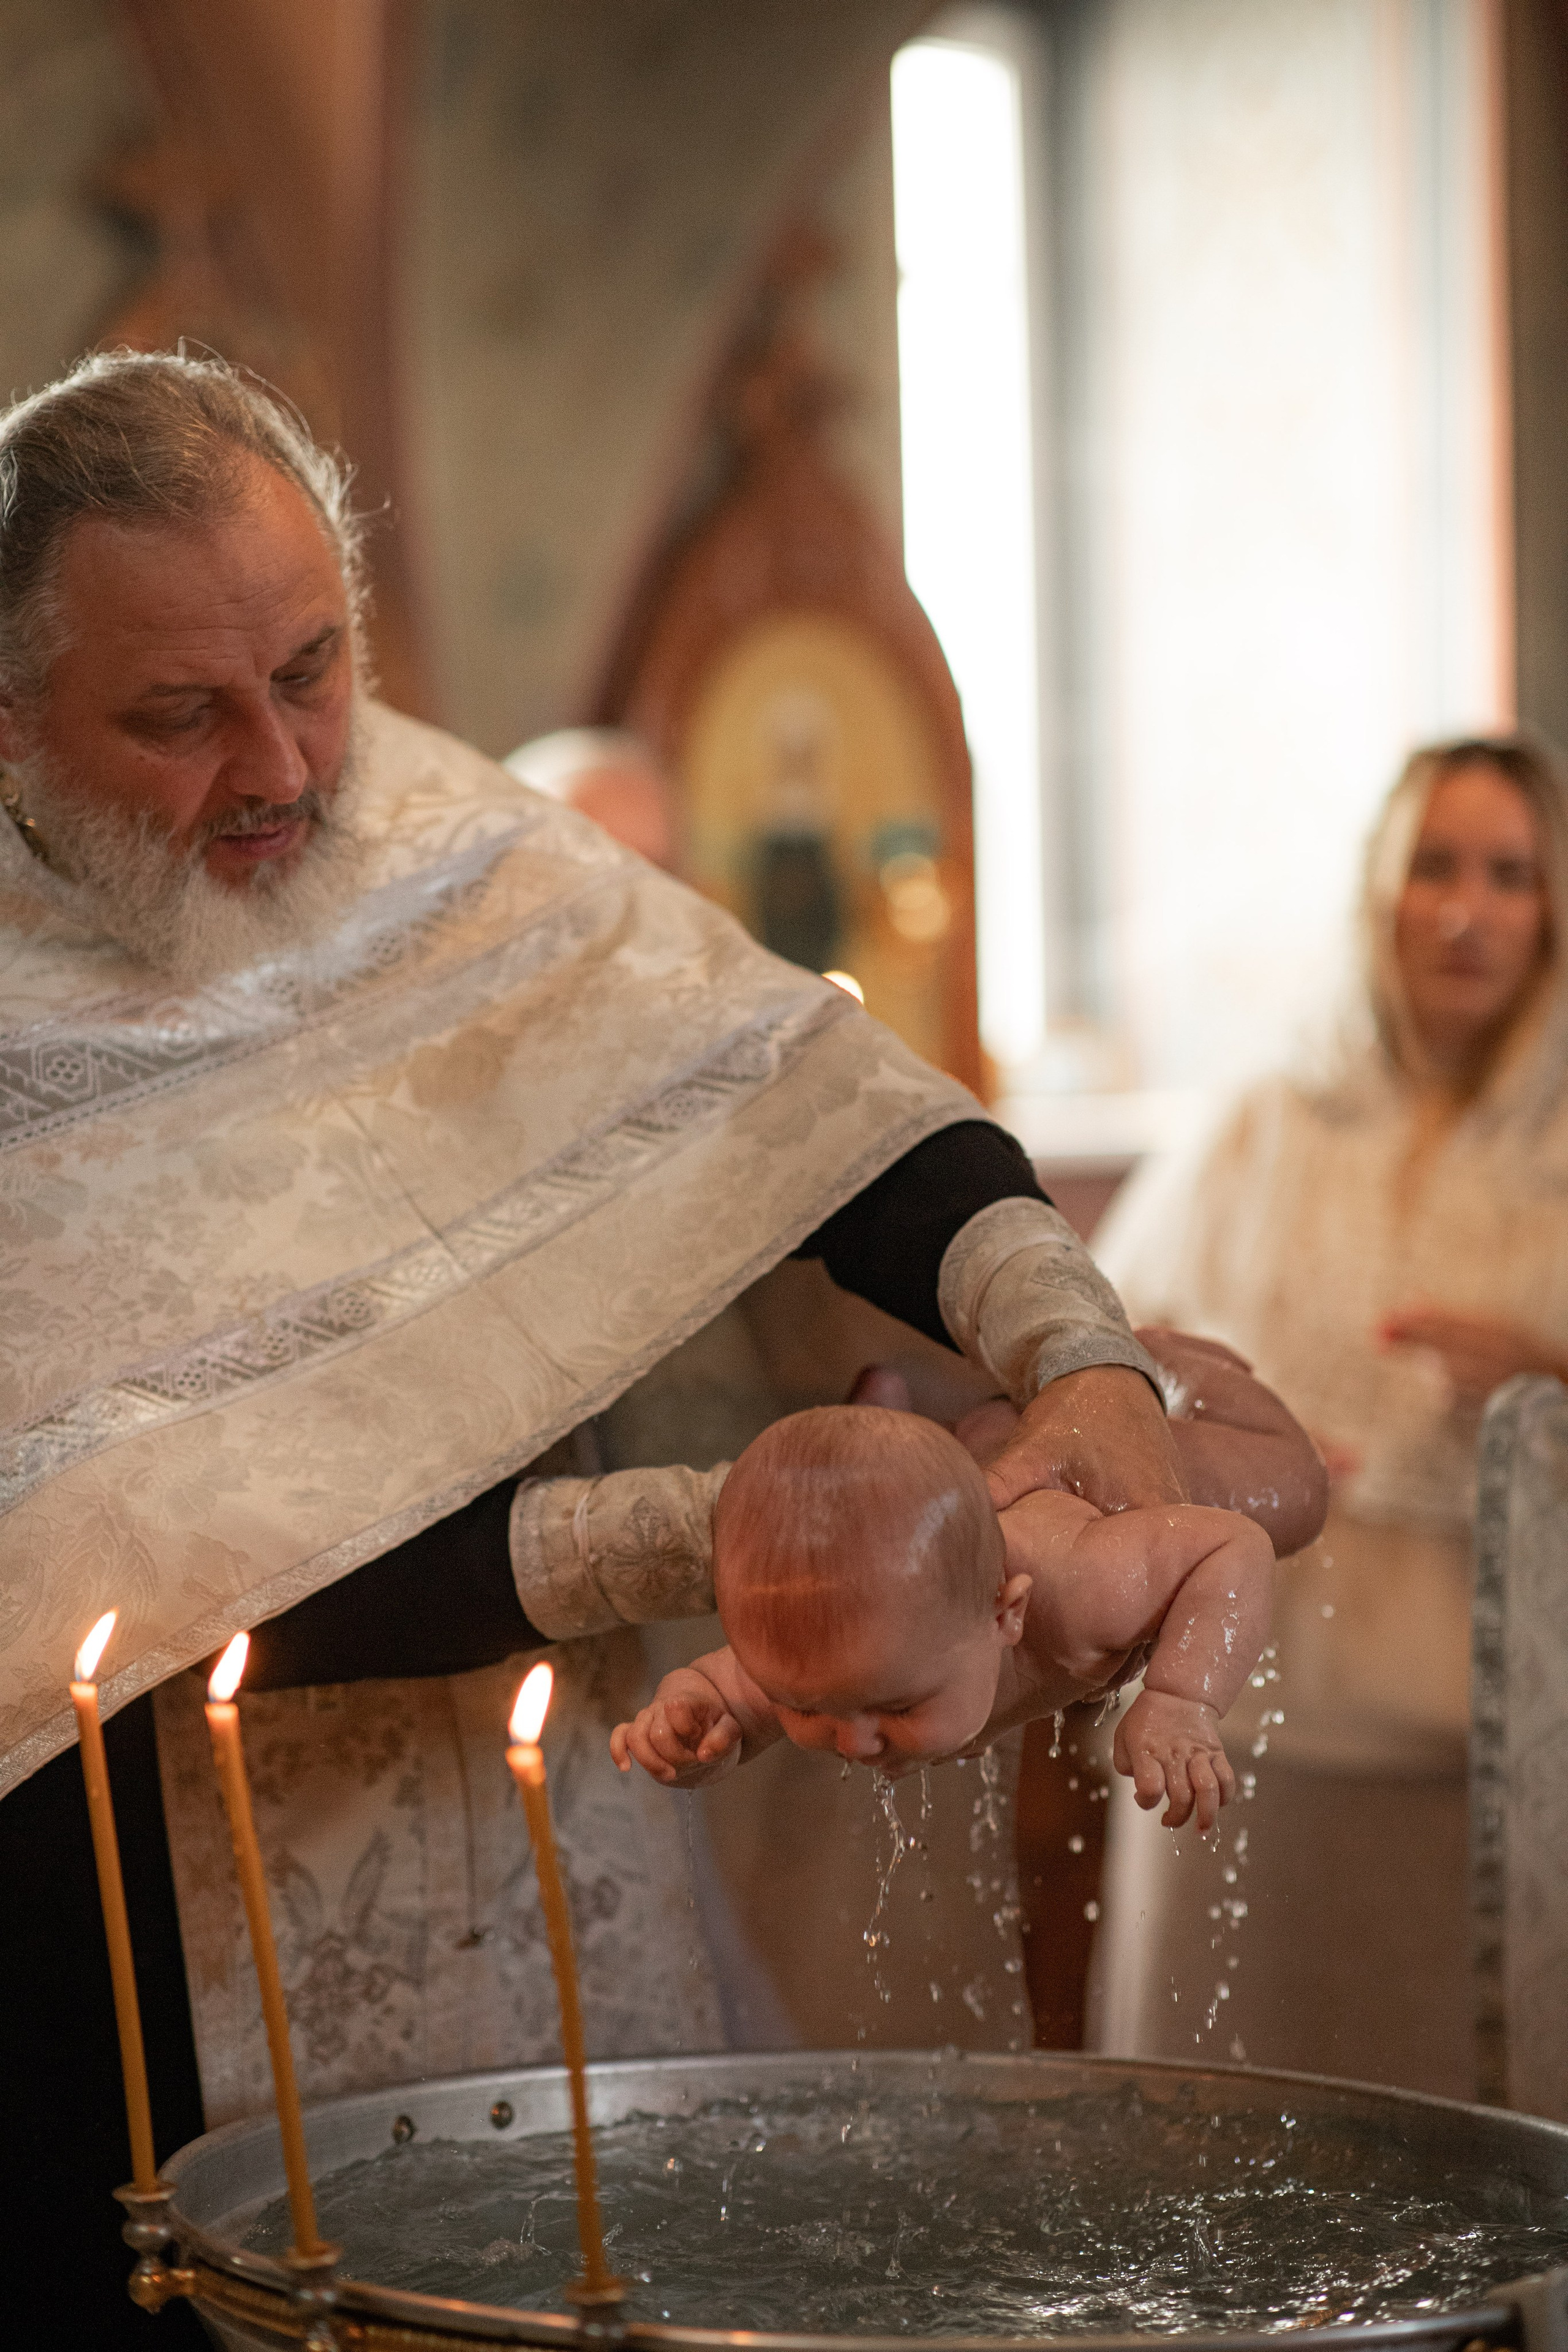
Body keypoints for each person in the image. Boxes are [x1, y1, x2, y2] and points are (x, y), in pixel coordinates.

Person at [0, 347, 1192, 2343]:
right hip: (127, 1917)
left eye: (315, 668)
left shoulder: (456, 847)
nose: (288, 771)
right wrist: (720, 1538)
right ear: (10, 719)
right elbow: (129, 1570)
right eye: (182, 716)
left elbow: (811, 1102)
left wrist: (1077, 1356)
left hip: (553, 1817)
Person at [1089, 732, 1568, 2098]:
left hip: (1481, 1736)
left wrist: (1546, 1377)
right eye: (1431, 868)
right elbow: (1101, 1366)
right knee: (1221, 2116)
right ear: (1375, 893)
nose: (1464, 911)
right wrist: (1229, 1429)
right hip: (1246, 1712)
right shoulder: (1260, 1125)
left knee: (1454, 2134)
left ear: (1550, 910)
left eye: (1506, 874)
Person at [609, 1403, 1275, 1833]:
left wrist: (1180, 1698)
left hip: (1125, 1449)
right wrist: (692, 1726)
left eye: (896, 1706)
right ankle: (933, 1407)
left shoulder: (1087, 1589)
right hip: (979, 1449)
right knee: (977, 1435)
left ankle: (1185, 1369)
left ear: (1005, 1613)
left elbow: (1233, 1545)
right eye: (800, 1708)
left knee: (1291, 1487)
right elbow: (726, 1692)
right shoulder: (834, 1667)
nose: (852, 1743)